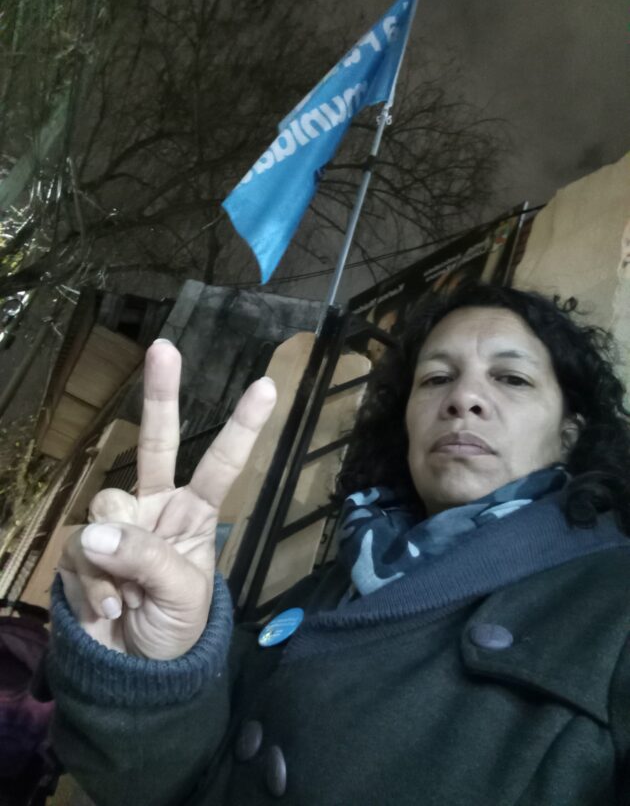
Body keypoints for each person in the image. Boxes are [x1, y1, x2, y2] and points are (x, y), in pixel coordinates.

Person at [46, 283, 630, 806]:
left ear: (570, 432)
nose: (464, 399)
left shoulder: (614, 609)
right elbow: (177, 781)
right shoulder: (331, 583)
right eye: (436, 378)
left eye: (511, 378)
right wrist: (157, 669)